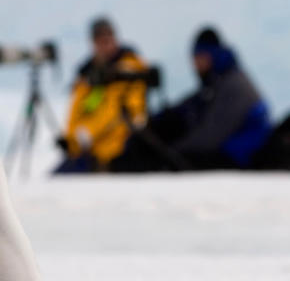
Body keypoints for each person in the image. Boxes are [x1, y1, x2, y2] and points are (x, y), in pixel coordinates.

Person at [112, 27, 272, 171]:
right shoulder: (216, 83)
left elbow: (211, 136)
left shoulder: (234, 86)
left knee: (169, 162)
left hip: (242, 157)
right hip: (229, 152)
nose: (196, 65)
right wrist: (156, 124)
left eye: (200, 58)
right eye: (194, 59)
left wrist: (171, 151)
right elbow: (186, 108)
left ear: (213, 56)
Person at [55, 17, 151, 173]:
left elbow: (124, 112)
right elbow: (77, 114)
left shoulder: (128, 71)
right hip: (87, 154)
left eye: (108, 40)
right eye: (100, 42)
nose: (105, 46)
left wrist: (86, 134)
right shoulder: (89, 78)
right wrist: (72, 141)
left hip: (117, 153)